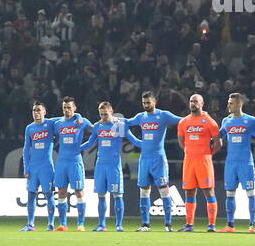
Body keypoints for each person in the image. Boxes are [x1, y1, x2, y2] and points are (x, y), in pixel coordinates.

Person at [122, 91, 182, 231]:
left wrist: (199, 116)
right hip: (144, 160)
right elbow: (126, 124)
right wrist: (137, 142)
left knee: (164, 191)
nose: (146, 105)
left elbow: (182, 120)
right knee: (144, 191)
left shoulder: (164, 115)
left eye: (148, 102)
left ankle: (168, 225)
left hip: (159, 160)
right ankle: (145, 225)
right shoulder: (140, 117)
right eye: (144, 103)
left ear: (155, 102)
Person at [80, 101, 137, 232]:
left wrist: (145, 144)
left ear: (111, 112)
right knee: (101, 195)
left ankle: (118, 225)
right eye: (101, 114)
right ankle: (102, 225)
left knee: (117, 195)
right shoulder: (97, 126)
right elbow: (90, 142)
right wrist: (77, 148)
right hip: (100, 165)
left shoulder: (119, 125)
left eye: (105, 114)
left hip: (114, 166)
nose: (103, 117)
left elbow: (132, 138)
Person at [177, 93, 222, 232]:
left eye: (195, 101)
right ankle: (189, 225)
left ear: (202, 104)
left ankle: (211, 225)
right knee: (189, 192)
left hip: (204, 161)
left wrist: (207, 154)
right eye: (191, 101)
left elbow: (218, 143)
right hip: (189, 161)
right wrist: (191, 152)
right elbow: (181, 142)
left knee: (208, 191)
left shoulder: (210, 122)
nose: (193, 104)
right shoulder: (183, 122)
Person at [218, 93, 255, 233]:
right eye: (229, 102)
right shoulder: (226, 121)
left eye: (231, 103)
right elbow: (219, 135)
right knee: (230, 193)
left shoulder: (251, 121)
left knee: (250, 192)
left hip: (246, 162)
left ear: (239, 104)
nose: (228, 105)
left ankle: (252, 225)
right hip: (231, 162)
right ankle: (230, 225)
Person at [51, 96, 92, 231]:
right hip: (62, 162)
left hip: (75, 161)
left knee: (79, 192)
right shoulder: (58, 123)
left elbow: (95, 131)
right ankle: (63, 224)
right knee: (61, 192)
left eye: (69, 107)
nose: (67, 110)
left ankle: (81, 224)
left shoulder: (81, 121)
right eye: (64, 108)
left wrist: (85, 146)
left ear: (75, 108)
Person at [20, 102, 57, 232]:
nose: (36, 113)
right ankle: (30, 224)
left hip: (46, 167)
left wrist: (78, 116)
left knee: (49, 195)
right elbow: (26, 150)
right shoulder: (29, 128)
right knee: (31, 195)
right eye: (34, 110)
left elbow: (65, 119)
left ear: (44, 112)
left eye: (39, 110)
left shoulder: (51, 124)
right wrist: (26, 168)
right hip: (33, 167)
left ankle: (51, 224)